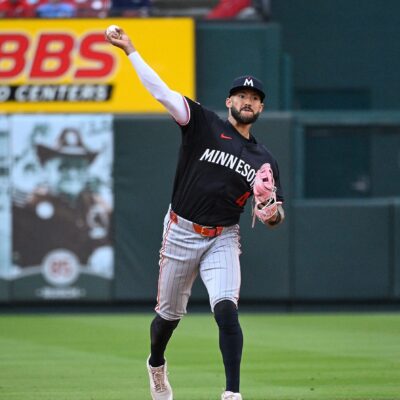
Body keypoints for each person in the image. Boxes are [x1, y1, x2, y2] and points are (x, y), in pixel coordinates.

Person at [105, 26, 285, 400]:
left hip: (223, 236)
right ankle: (156, 365)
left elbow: (273, 218)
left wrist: (270, 211)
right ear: (229, 100)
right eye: (241, 95)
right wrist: (131, 51)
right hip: (181, 231)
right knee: (167, 319)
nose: (247, 100)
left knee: (226, 311)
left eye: (254, 97)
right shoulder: (203, 123)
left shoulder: (264, 160)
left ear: (262, 107)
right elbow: (160, 92)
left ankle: (232, 393)